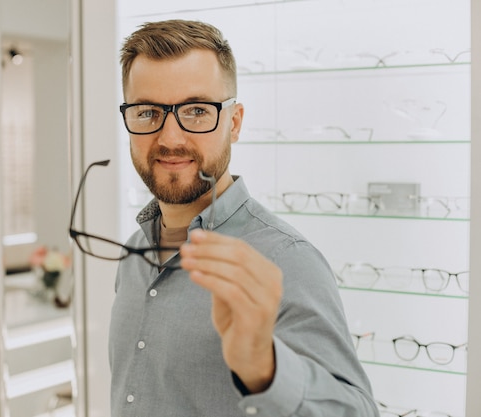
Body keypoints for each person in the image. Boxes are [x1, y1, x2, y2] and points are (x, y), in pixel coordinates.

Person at [107, 19, 379, 416]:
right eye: (148, 112)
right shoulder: (133, 251)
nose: (170, 138)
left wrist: (263, 368)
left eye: (197, 111)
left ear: (234, 123)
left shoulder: (288, 259)